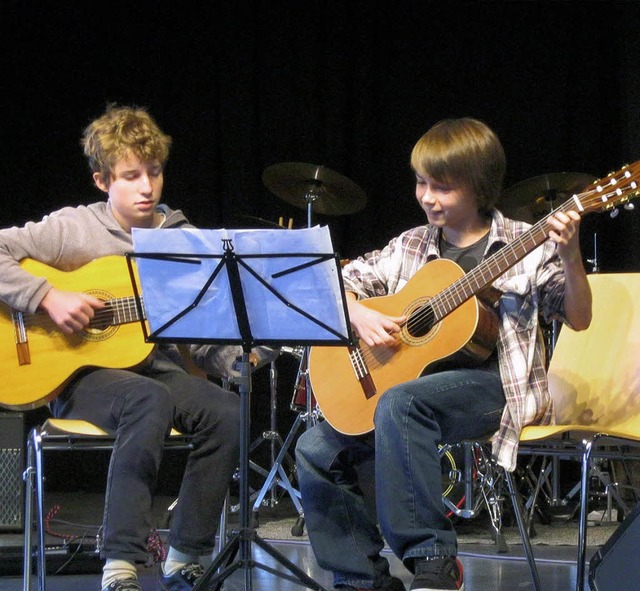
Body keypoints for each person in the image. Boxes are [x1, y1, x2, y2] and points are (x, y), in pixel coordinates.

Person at [295, 117, 593, 591]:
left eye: (442, 187)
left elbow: (578, 317)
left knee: (403, 403)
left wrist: (571, 255)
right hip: (412, 392)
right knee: (313, 449)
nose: (427, 196)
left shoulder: (521, 241)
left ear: (479, 188)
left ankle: (433, 561)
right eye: (421, 183)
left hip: (497, 386)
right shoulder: (412, 243)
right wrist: (358, 315)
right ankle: (363, 580)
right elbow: (336, 285)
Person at [0, 104, 275, 591]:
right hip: (81, 378)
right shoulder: (74, 229)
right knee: (148, 399)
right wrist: (48, 295)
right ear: (102, 181)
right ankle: (120, 563)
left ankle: (184, 554)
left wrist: (242, 358)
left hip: (156, 371)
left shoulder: (181, 241)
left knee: (226, 411)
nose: (147, 186)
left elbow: (197, 331)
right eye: (131, 176)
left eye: (154, 172)